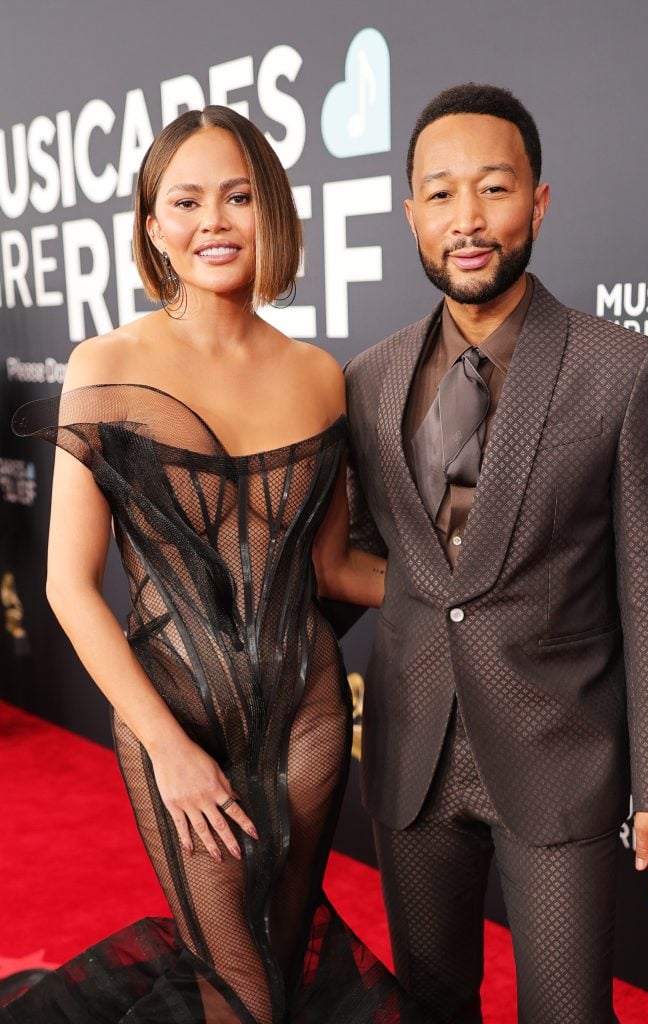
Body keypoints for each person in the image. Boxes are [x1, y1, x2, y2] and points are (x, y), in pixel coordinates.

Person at [5, 105, 420, 1024]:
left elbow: (333, 568)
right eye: (185, 201)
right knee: (233, 989)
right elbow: (67, 588)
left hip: (310, 715)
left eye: (236, 197)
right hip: (173, 721)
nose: (213, 223)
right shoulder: (104, 363)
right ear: (153, 227)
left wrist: (477, 590)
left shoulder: (318, 373)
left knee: (283, 959)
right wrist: (167, 749)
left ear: (270, 209)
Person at [343, 83, 648, 1024]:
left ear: (538, 201)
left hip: (559, 753)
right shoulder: (370, 378)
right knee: (428, 1001)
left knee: (570, 1012)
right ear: (411, 212)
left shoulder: (622, 372)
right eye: (443, 193)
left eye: (494, 189)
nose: (469, 220)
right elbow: (367, 557)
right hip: (411, 756)